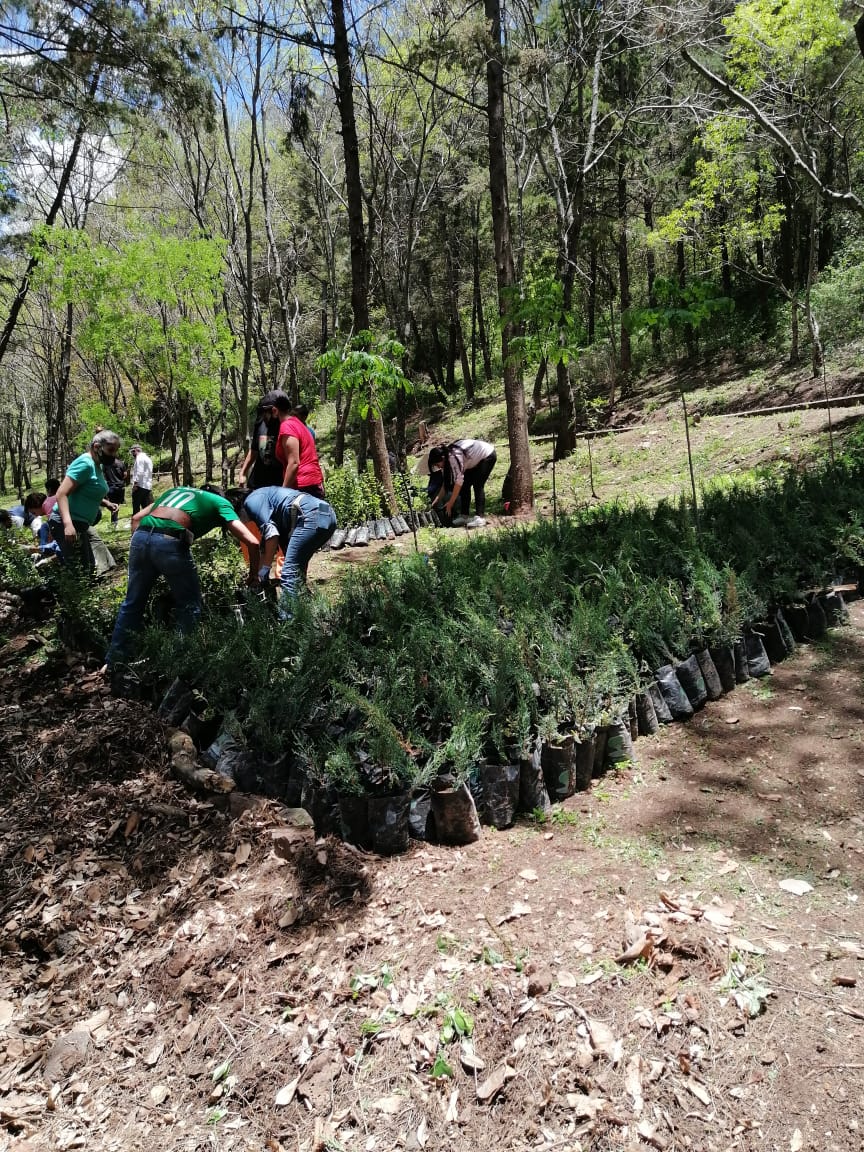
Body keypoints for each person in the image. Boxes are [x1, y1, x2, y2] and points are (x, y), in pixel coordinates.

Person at [105, 484, 261, 668]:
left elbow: (136, 518)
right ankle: (179, 663)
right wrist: (254, 575)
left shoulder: (175, 491)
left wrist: (145, 548)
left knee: (132, 603)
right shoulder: (221, 503)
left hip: (140, 537)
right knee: (189, 605)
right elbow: (253, 542)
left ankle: (114, 661)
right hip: (171, 541)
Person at [240, 486, 336, 619]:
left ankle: (288, 623)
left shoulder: (250, 501)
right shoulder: (268, 501)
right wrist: (260, 575)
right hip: (325, 511)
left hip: (310, 515)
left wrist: (264, 571)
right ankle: (313, 615)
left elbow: (272, 535)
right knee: (297, 572)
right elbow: (266, 546)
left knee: (289, 574)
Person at [49, 430, 121, 572]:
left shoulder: (97, 465)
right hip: (67, 521)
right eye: (111, 450)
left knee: (97, 563)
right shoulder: (85, 463)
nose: (114, 455)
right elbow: (61, 494)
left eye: (116, 450)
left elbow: (87, 490)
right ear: (97, 447)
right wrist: (68, 525)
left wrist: (106, 503)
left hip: (82, 523)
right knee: (80, 569)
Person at [427, 440, 497, 527]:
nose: (438, 467)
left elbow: (458, 483)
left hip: (487, 454)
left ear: (442, 458)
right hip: (473, 460)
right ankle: (464, 516)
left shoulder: (453, 458)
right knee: (465, 485)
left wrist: (450, 503)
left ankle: (480, 518)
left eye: (437, 464)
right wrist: (436, 500)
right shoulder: (446, 461)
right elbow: (446, 483)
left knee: (478, 484)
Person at [271, 395, 326, 498]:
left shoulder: (287, 426)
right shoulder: (299, 424)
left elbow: (294, 463)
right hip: (313, 483)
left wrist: (283, 493)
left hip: (304, 486)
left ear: (275, 411)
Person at [238, 391, 286, 490]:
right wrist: (243, 472)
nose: (263, 416)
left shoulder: (288, 428)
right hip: (258, 482)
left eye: (266, 412)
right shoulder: (260, 424)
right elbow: (254, 451)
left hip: (279, 484)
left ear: (275, 411)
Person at [102, 452, 127, 522]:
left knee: (112, 505)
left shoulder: (105, 464)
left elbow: (103, 475)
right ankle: (114, 521)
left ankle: (114, 522)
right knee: (117, 504)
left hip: (111, 486)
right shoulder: (121, 463)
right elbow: (125, 474)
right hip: (120, 486)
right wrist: (120, 479)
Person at [130, 445, 153, 515]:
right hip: (147, 486)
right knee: (147, 507)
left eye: (132, 452)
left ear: (135, 450)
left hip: (140, 486)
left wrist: (135, 484)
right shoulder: (147, 458)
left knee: (136, 507)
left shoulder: (139, 458)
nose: (132, 454)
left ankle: (136, 520)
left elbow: (139, 472)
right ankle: (148, 520)